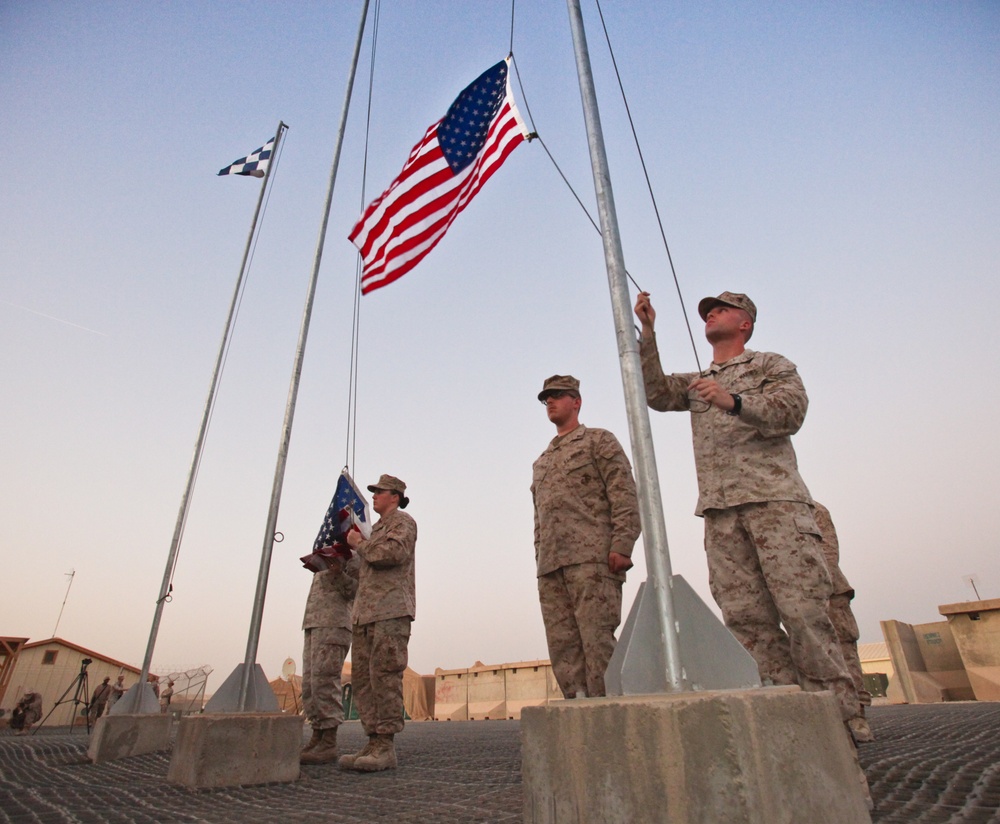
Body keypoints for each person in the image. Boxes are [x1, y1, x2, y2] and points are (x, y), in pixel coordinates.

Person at [633, 290, 859, 724]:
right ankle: (784, 715)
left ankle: (840, 718)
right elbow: (657, 393)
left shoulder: (769, 365)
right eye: (707, 310)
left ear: (745, 323)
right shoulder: (698, 380)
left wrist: (733, 401)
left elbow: (790, 413)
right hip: (721, 512)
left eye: (721, 308)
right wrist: (648, 331)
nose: (711, 313)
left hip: (773, 503)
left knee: (804, 613)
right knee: (745, 620)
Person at [531, 375, 641, 699]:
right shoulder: (541, 462)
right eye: (546, 398)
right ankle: (577, 717)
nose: (550, 401)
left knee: (597, 643)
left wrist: (623, 543)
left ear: (576, 401)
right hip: (552, 566)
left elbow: (623, 493)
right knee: (563, 648)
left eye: (557, 396)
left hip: (592, 560)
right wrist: (540, 556)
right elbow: (539, 516)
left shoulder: (598, 441)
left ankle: (610, 717)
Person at [339, 474, 417, 773]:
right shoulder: (375, 530)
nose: (374, 497)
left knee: (385, 676)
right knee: (363, 680)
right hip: (365, 614)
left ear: (394, 496)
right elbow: (365, 571)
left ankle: (385, 746)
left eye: (379, 492)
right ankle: (372, 741)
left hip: (390, 611)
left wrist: (361, 544)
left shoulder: (403, 522)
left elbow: (392, 553)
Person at [813, 502, 875, 742]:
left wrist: (815, 584)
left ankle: (856, 715)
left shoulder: (814, 510)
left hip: (831, 592)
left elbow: (829, 553)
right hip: (797, 598)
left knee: (844, 648)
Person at [299, 552, 360, 764]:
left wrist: (336, 573)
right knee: (309, 685)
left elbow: (356, 590)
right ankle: (317, 734)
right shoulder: (328, 552)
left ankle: (329, 742)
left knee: (324, 681)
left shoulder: (353, 554)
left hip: (335, 624)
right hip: (314, 622)